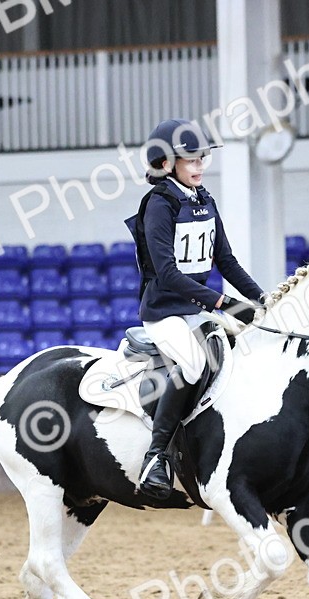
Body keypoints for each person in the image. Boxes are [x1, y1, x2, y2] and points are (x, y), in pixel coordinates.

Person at [125, 118, 266, 499]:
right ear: (167, 163)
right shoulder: (158, 204)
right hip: (164, 312)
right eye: (192, 160)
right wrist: (221, 303)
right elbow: (167, 274)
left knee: (242, 351)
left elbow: (227, 262)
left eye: (203, 158)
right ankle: (157, 457)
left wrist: (264, 300)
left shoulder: (204, 201)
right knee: (192, 363)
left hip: (197, 309)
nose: (200, 166)